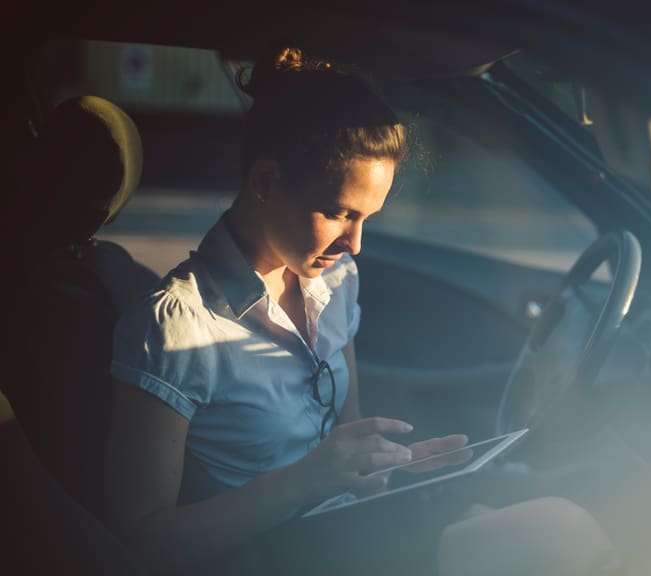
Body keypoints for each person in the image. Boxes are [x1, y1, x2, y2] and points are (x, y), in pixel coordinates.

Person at [105, 46, 617, 576]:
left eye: (368, 216)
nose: (355, 243)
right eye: (339, 212)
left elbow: (344, 448)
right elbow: (141, 539)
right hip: (274, 556)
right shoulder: (172, 327)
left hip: (353, 528)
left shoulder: (335, 280)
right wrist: (304, 481)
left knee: (555, 506)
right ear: (264, 180)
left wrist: (395, 468)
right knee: (555, 531)